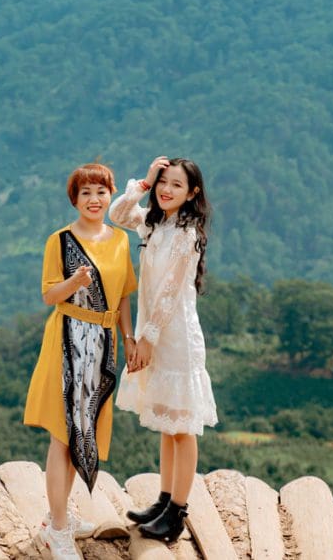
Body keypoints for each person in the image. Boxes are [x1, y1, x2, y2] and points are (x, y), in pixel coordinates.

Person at [24, 162, 138, 560]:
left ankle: (58, 517)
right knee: (63, 434)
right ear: (74, 199)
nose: (94, 199)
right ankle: (57, 529)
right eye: (86, 193)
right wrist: (75, 283)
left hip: (105, 345)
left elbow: (124, 295)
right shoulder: (60, 240)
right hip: (69, 342)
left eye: (101, 192)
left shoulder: (121, 240)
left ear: (110, 197)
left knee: (80, 433)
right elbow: (49, 296)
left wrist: (129, 337)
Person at [109, 155, 218, 543]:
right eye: (163, 182)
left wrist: (148, 340)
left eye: (176, 184)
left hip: (176, 340)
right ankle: (164, 499)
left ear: (193, 194)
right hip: (153, 332)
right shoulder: (156, 223)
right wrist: (142, 182)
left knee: (182, 428)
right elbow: (119, 214)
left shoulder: (186, 233)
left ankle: (177, 513)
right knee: (167, 424)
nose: (166, 190)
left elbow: (170, 293)